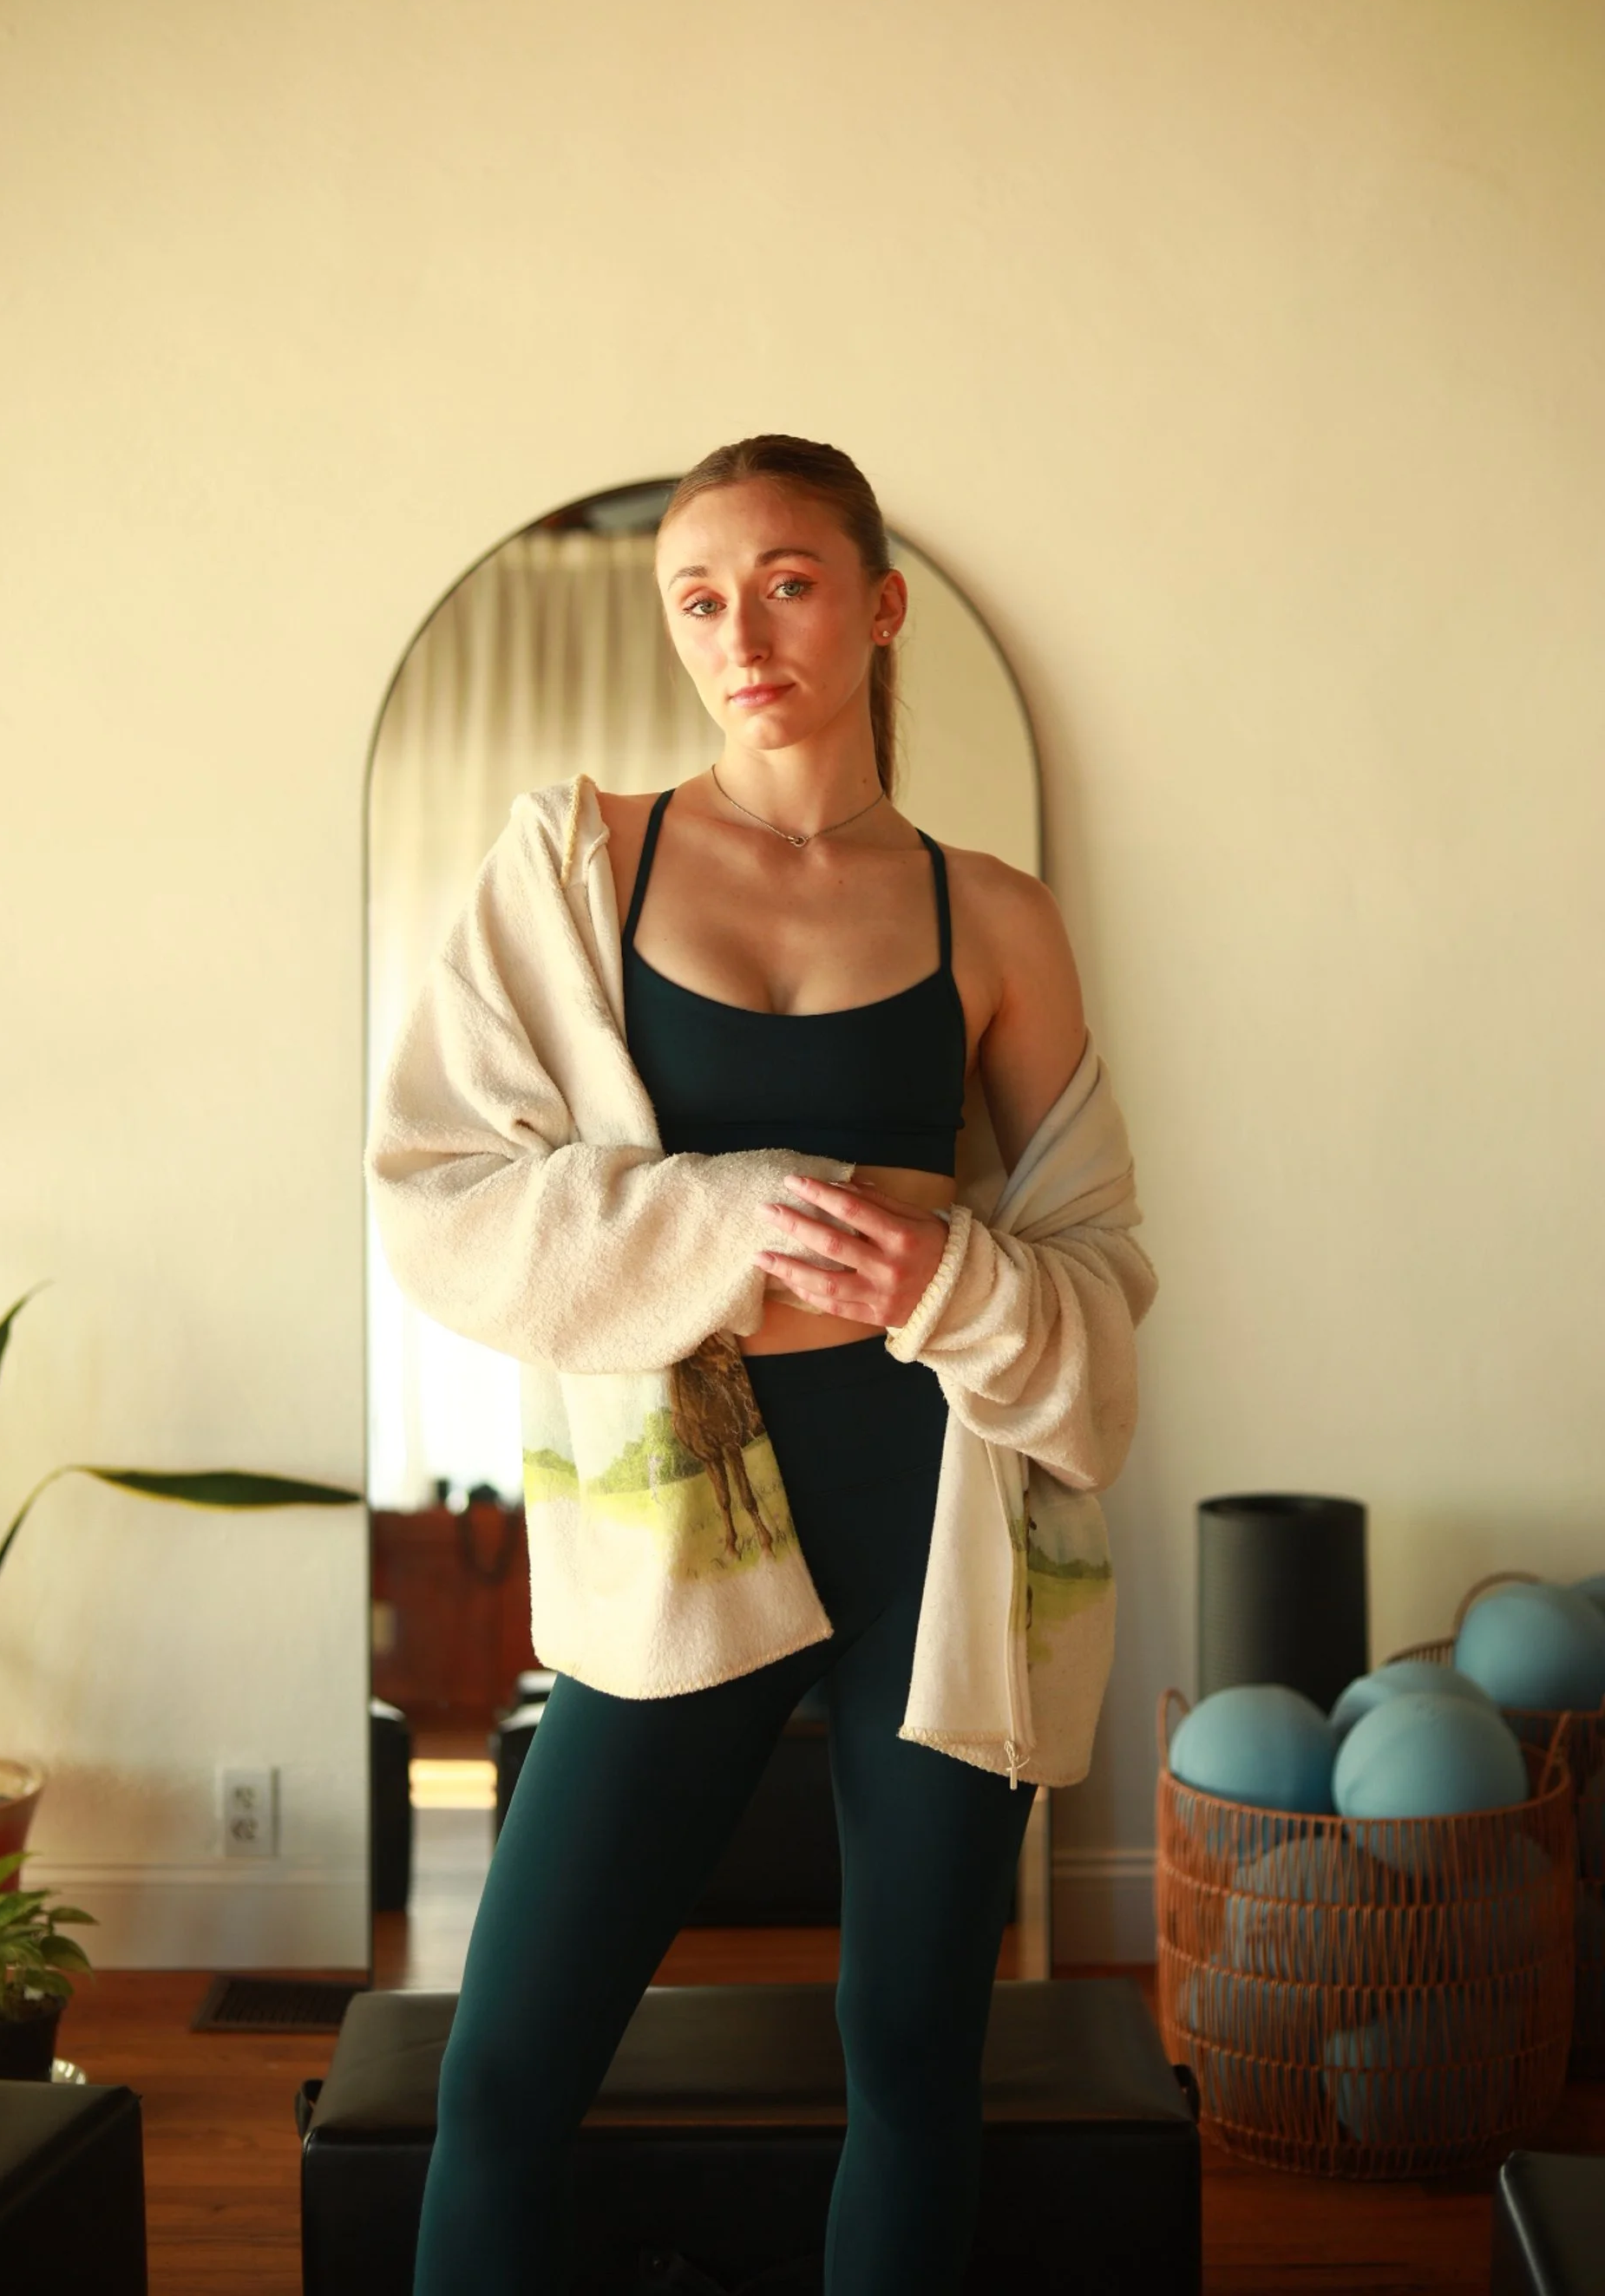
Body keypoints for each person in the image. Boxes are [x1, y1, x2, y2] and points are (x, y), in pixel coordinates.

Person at [364, 435, 1157, 2294]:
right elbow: (441, 1195)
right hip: (680, 1549)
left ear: (879, 608)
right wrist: (732, 1219)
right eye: (698, 596)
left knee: (913, 2074)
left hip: (937, 1537)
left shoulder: (997, 917)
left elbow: (1103, 1267)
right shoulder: (578, 864)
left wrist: (952, 1275)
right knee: (505, 2075)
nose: (741, 630)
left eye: (789, 582)